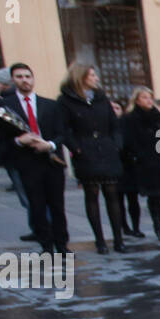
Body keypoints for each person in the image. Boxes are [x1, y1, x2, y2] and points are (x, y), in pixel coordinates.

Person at [0, 63, 69, 253]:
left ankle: (62, 244)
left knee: (57, 206)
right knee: (37, 206)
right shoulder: (5, 106)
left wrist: (50, 145)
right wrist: (20, 141)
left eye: (27, 76)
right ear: (13, 80)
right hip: (27, 163)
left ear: (33, 79)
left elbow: (62, 133)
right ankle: (46, 245)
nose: (24, 80)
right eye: (19, 76)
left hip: (51, 161)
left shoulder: (49, 105)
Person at [57, 63, 127, 253]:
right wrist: (76, 148)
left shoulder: (101, 98)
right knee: (92, 194)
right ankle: (100, 240)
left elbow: (114, 125)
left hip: (107, 150)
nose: (96, 78)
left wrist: (116, 144)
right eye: (92, 75)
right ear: (81, 78)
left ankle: (119, 239)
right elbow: (64, 129)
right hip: (86, 151)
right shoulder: (66, 101)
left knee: (113, 194)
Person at [122, 86, 160, 242]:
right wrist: (141, 157)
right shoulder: (131, 119)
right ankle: (158, 228)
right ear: (137, 100)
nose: (148, 100)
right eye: (144, 97)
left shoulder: (159, 117)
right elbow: (130, 142)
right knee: (154, 199)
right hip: (145, 165)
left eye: (150, 97)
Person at [113, 100, 144, 236]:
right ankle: (124, 227)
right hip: (115, 166)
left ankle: (136, 227)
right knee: (117, 200)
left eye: (117, 107)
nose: (114, 110)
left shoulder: (129, 124)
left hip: (131, 166)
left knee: (133, 199)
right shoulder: (108, 126)